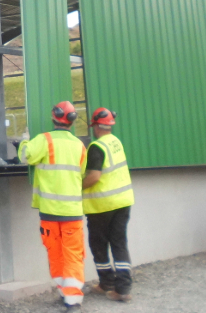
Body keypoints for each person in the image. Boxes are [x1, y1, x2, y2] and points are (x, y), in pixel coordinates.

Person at [19, 101, 87, 309]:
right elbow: (82, 173)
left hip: (49, 212)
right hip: (73, 212)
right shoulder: (79, 145)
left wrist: (23, 140)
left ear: (54, 117)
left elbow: (25, 156)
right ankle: (72, 299)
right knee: (73, 255)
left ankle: (62, 291)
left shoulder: (44, 140)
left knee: (55, 254)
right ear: (72, 121)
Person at [82, 107, 134, 303]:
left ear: (95, 126)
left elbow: (94, 176)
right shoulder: (115, 142)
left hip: (103, 205)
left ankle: (106, 283)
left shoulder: (97, 147)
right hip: (123, 201)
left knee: (99, 244)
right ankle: (123, 289)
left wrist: (78, 186)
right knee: (119, 243)